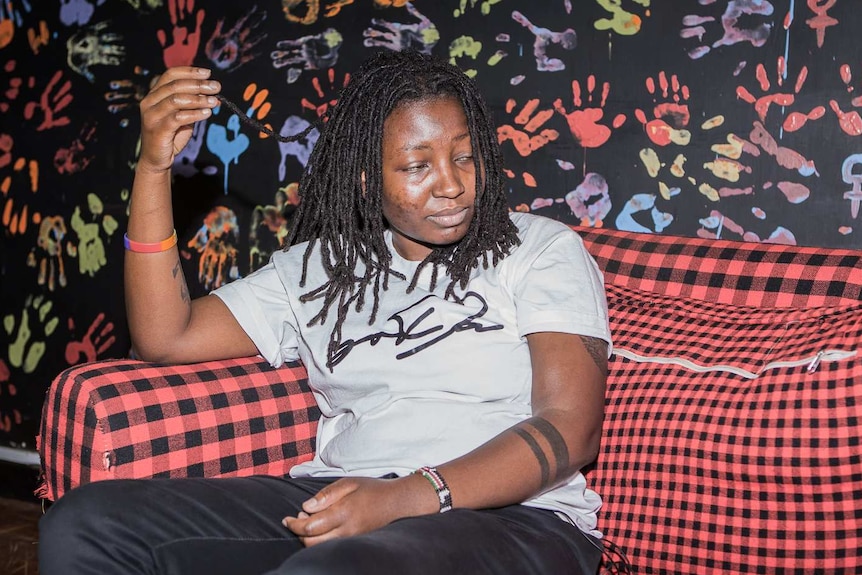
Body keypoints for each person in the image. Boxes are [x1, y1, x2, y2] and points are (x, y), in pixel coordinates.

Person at [39, 49, 614, 575]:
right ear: (366, 183)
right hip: (342, 497)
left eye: (465, 156)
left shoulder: (539, 248)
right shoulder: (323, 269)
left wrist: (406, 496)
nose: (453, 185)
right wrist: (153, 169)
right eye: (418, 166)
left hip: (515, 521)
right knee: (87, 526)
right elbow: (167, 337)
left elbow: (571, 425)